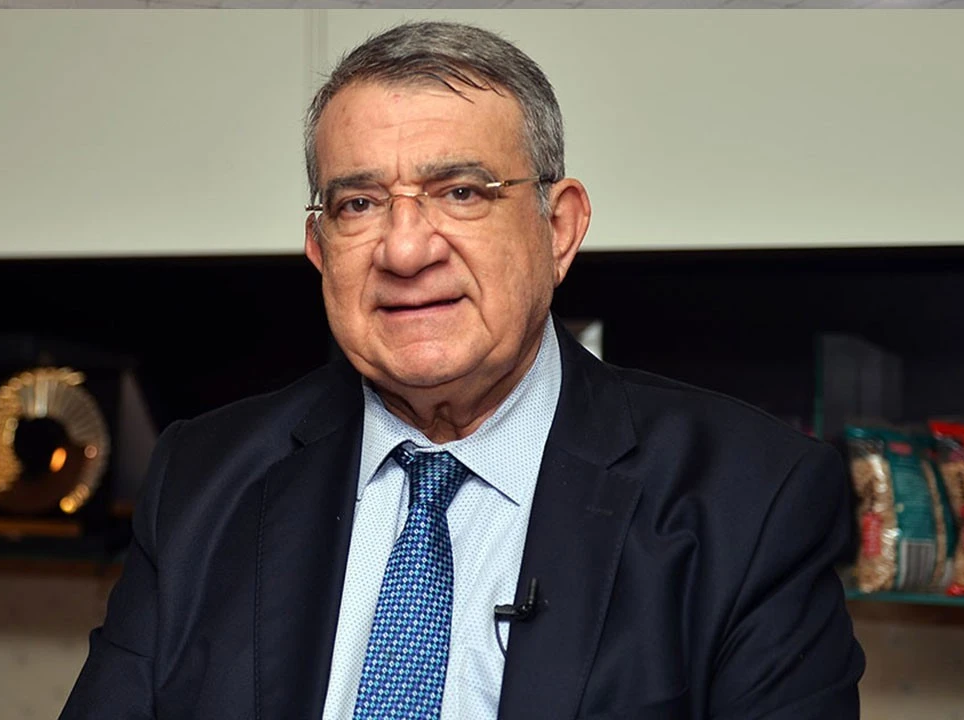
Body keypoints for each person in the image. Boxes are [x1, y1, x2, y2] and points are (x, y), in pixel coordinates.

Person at [59, 20, 864, 720]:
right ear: (320, 250)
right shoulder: (201, 481)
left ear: (559, 228)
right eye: (359, 204)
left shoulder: (751, 499)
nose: (407, 249)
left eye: (462, 192)